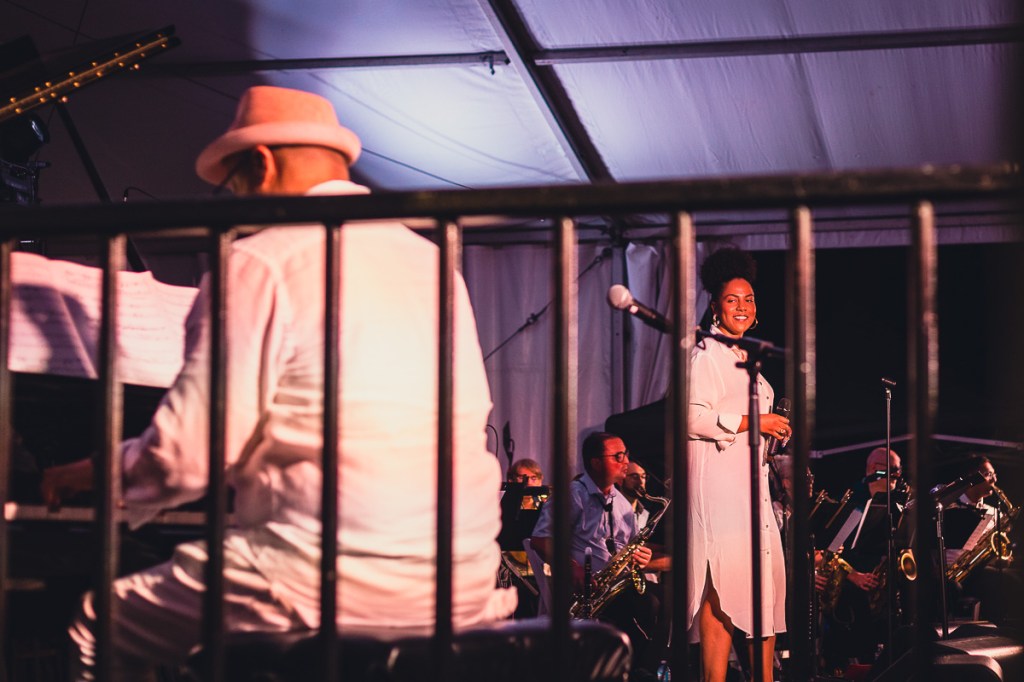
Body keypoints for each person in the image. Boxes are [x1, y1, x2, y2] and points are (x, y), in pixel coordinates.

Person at [40, 85, 516, 679]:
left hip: (322, 581)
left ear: (260, 165)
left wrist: (82, 475)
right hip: (459, 582)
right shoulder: (434, 263)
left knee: (96, 623)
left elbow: (184, 461)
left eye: (233, 185)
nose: (236, 203)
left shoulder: (260, 261)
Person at [687, 246, 788, 682]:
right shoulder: (707, 355)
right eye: (732, 299)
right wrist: (757, 421)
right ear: (715, 307)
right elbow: (692, 417)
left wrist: (769, 434)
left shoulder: (747, 359)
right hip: (720, 498)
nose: (742, 306)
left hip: (752, 495)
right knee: (723, 591)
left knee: (761, 593)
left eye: (749, 299)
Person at [530, 432, 659, 671]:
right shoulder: (572, 495)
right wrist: (573, 568)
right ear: (596, 462)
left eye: (626, 455)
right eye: (618, 456)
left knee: (663, 602)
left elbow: (631, 547)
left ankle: (635, 671)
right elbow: (540, 540)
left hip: (615, 587)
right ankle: (635, 672)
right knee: (648, 606)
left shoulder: (622, 503)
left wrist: (642, 557)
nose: (626, 462)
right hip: (585, 591)